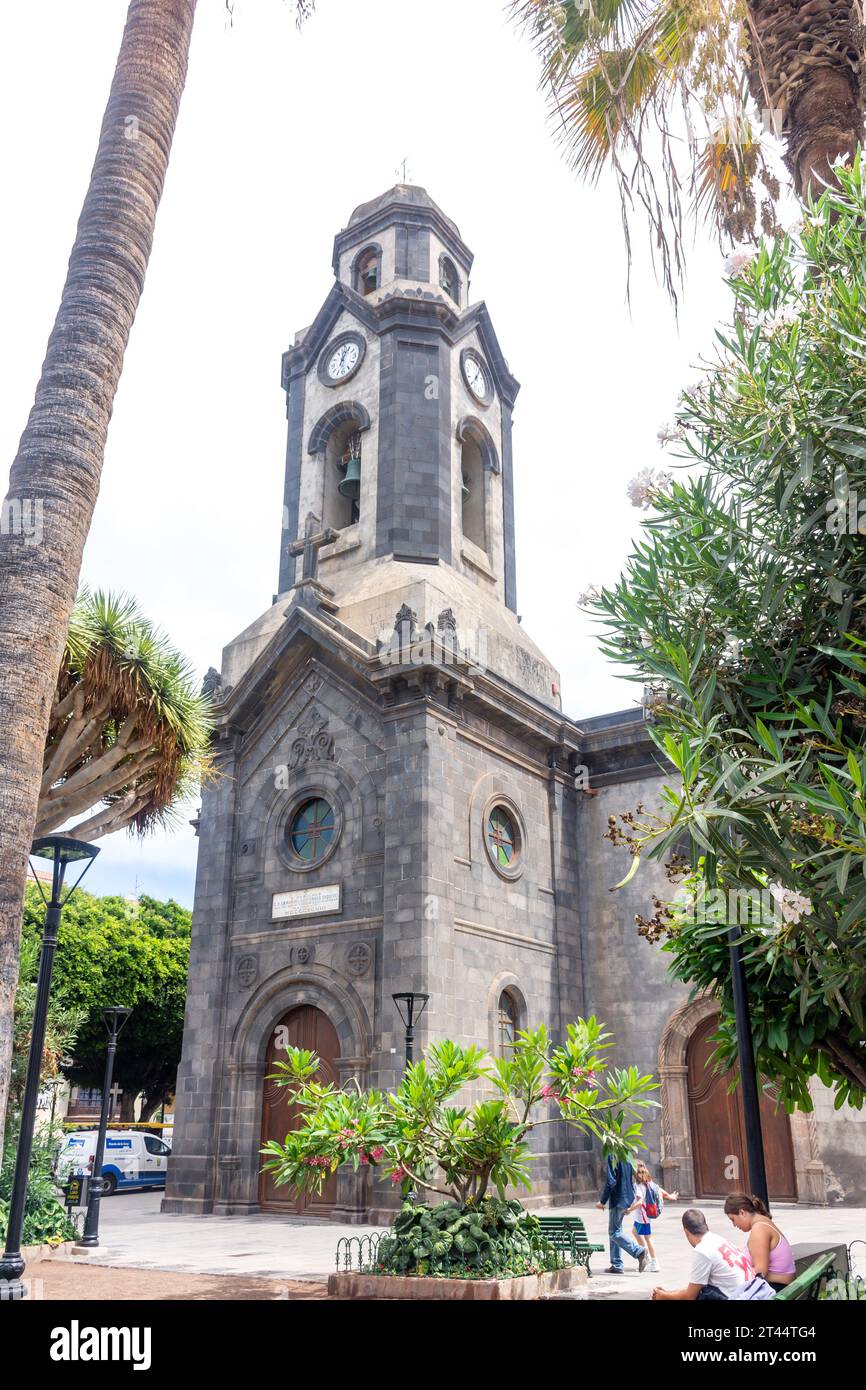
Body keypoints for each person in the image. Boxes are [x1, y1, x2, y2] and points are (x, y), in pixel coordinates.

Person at [651, 1209, 758, 1300]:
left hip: (739, 1297)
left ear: (686, 1232)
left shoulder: (703, 1250)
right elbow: (693, 1287)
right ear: (705, 1226)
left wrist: (665, 1296)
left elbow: (690, 1296)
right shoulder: (717, 1239)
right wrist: (668, 1293)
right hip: (752, 1292)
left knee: (703, 1293)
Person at [724, 1193, 796, 1291]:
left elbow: (760, 1273)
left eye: (733, 1219)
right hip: (781, 1287)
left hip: (776, 1289)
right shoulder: (764, 1221)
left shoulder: (759, 1229)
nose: (734, 1225)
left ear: (742, 1212)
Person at [597, 1154, 649, 1273]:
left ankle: (639, 1251)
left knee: (614, 1233)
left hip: (618, 1199)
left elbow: (611, 1181)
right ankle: (617, 1264)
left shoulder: (612, 1156)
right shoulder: (626, 1154)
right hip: (626, 1198)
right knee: (616, 1230)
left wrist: (602, 1201)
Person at [625, 1160, 678, 1273]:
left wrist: (629, 1210)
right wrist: (670, 1196)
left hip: (643, 1217)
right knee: (635, 1232)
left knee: (648, 1238)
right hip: (642, 1217)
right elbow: (659, 1189)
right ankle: (646, 1256)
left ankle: (654, 1262)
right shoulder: (649, 1182)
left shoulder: (639, 1186)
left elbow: (639, 1202)